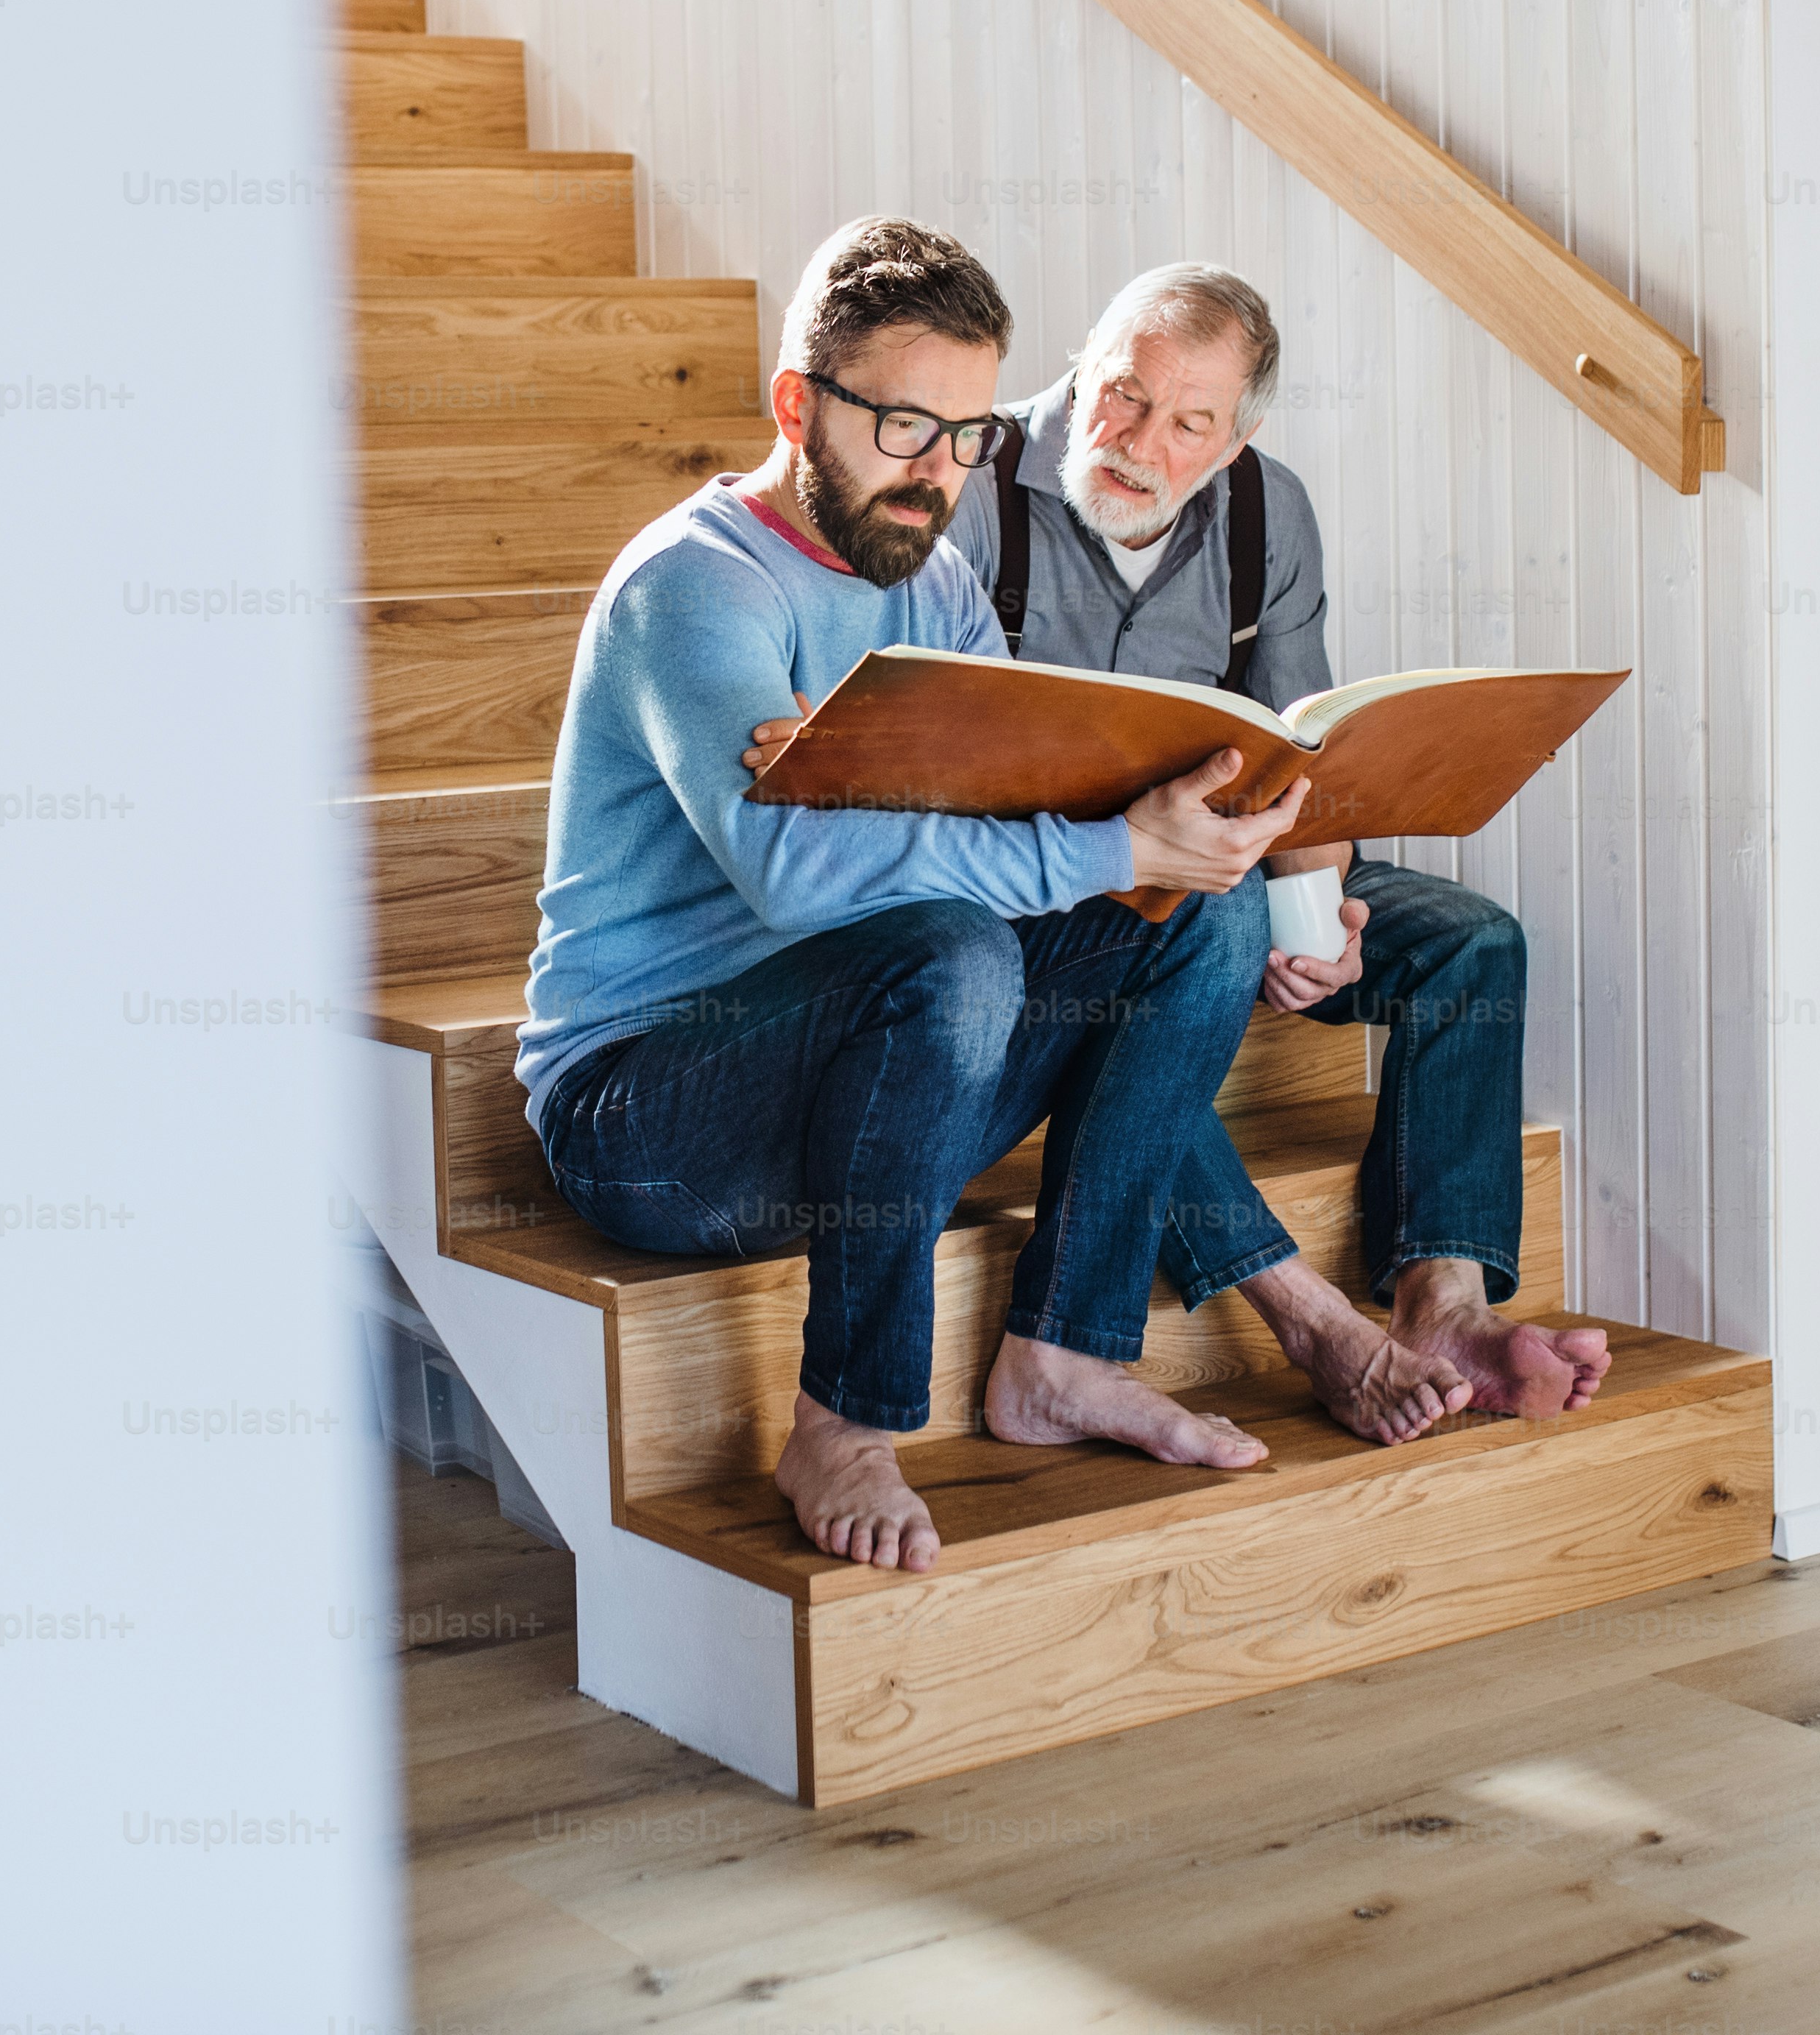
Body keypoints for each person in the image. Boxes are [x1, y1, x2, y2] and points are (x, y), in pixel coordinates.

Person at [520, 222, 1472, 1580]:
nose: (938, 475)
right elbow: (799, 877)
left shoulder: (938, 582)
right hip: (652, 1115)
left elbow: (994, 822)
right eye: (904, 425)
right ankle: (843, 1424)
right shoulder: (696, 589)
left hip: (866, 1095)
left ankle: (1065, 1354)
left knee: (1202, 910)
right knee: (955, 947)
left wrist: (1155, 848)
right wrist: (1049, 847)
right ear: (799, 405)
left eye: (969, 437)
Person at [919, 262, 1615, 1418]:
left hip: (1232, 870)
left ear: (1238, 437)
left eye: (1191, 423)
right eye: (1123, 397)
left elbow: (1305, 750)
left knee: (1470, 946)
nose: (1140, 441)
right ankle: (1304, 1316)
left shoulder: (1266, 511)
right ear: (1083, 368)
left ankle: (1442, 1299)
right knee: (1160, 974)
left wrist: (1318, 925)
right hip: (1044, 899)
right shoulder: (971, 484)